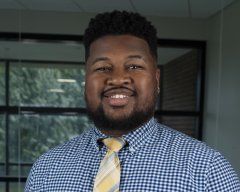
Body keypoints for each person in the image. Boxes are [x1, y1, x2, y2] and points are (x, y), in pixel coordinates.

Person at [25, 10, 240, 191]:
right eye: (102, 68)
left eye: (134, 66)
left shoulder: (208, 171)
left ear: (156, 79)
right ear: (86, 81)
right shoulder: (46, 169)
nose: (117, 78)